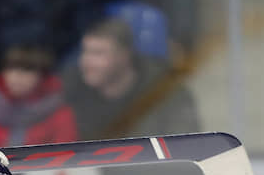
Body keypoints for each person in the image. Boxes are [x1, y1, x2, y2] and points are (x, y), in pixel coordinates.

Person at [64, 18, 199, 140]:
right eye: (85, 52)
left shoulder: (165, 91)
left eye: (98, 53)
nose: (86, 62)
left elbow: (186, 144)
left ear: (124, 55)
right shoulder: (71, 89)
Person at [0, 46, 78, 148]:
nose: (17, 76)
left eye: (27, 70)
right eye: (11, 68)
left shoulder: (60, 111)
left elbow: (65, 153)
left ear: (42, 76)